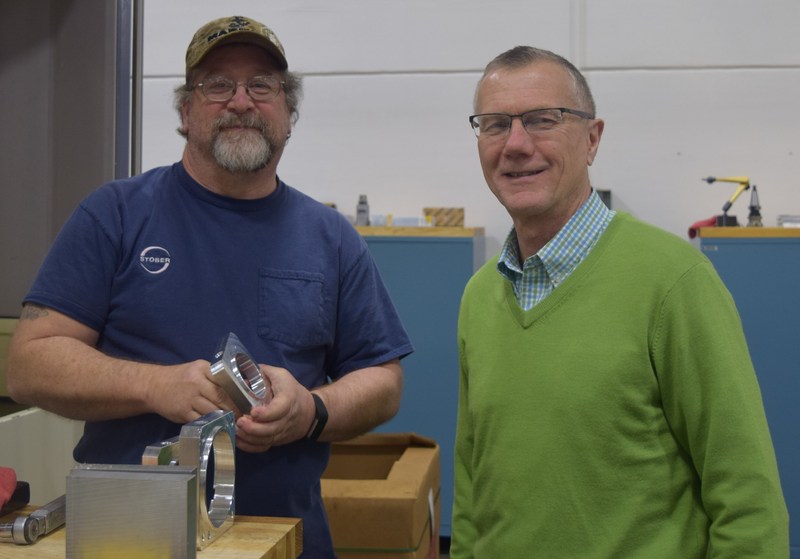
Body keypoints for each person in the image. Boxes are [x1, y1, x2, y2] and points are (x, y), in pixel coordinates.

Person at [7, 15, 412, 558]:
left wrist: (310, 410)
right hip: (133, 540)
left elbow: (382, 379)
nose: (240, 101)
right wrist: (154, 386)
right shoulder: (116, 215)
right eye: (217, 85)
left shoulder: (331, 237)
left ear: (289, 116)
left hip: (286, 538)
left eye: (262, 86)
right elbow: (30, 364)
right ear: (185, 111)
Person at [451, 46, 788, 558]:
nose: (516, 144)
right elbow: (473, 484)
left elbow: (748, 500)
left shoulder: (675, 282)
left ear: (592, 139)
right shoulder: (480, 296)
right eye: (495, 124)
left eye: (543, 120)